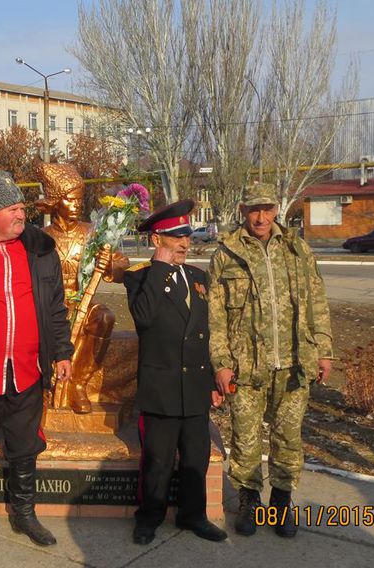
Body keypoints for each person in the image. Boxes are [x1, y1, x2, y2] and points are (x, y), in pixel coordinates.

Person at [0, 170, 73, 554]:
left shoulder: (41, 249)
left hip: (27, 370)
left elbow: (55, 308)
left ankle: (24, 514)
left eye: (22, 207)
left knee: (24, 448)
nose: (23, 214)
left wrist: (62, 353)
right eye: (14, 208)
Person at [208, 182, 333, 538]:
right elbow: (215, 317)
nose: (260, 217)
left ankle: (281, 501)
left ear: (277, 209)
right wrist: (221, 362)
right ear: (242, 211)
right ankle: (249, 500)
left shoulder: (297, 249)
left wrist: (323, 350)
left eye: (267, 209)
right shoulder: (227, 254)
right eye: (253, 209)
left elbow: (317, 302)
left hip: (295, 362)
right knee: (246, 439)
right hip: (246, 365)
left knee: (288, 437)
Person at [124, 200, 227, 545]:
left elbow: (207, 332)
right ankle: (149, 517)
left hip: (194, 384)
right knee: (158, 460)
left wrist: (213, 377)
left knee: (196, 456)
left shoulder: (199, 278)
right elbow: (144, 319)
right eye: (175, 236)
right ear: (157, 240)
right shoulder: (141, 279)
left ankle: (192, 515)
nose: (185, 242)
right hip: (162, 385)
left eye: (186, 235)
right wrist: (159, 269)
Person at [35, 162, 129, 413]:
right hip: (52, 306)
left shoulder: (92, 233)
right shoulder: (42, 237)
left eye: (79, 200)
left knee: (105, 317)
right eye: (70, 200)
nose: (77, 206)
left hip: (84, 302)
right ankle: (43, 388)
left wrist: (109, 264)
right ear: (55, 201)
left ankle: (78, 383)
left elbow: (122, 268)